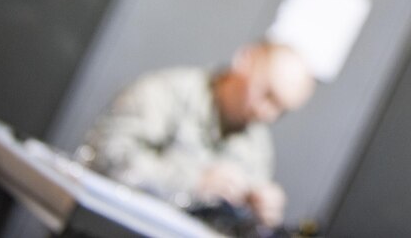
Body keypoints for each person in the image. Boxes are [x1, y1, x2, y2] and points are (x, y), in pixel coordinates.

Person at [79, 41, 316, 229]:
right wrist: (194, 182)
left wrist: (257, 214)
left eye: (281, 111)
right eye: (267, 94)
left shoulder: (258, 145)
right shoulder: (165, 92)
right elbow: (106, 156)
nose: (267, 114)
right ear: (246, 60)